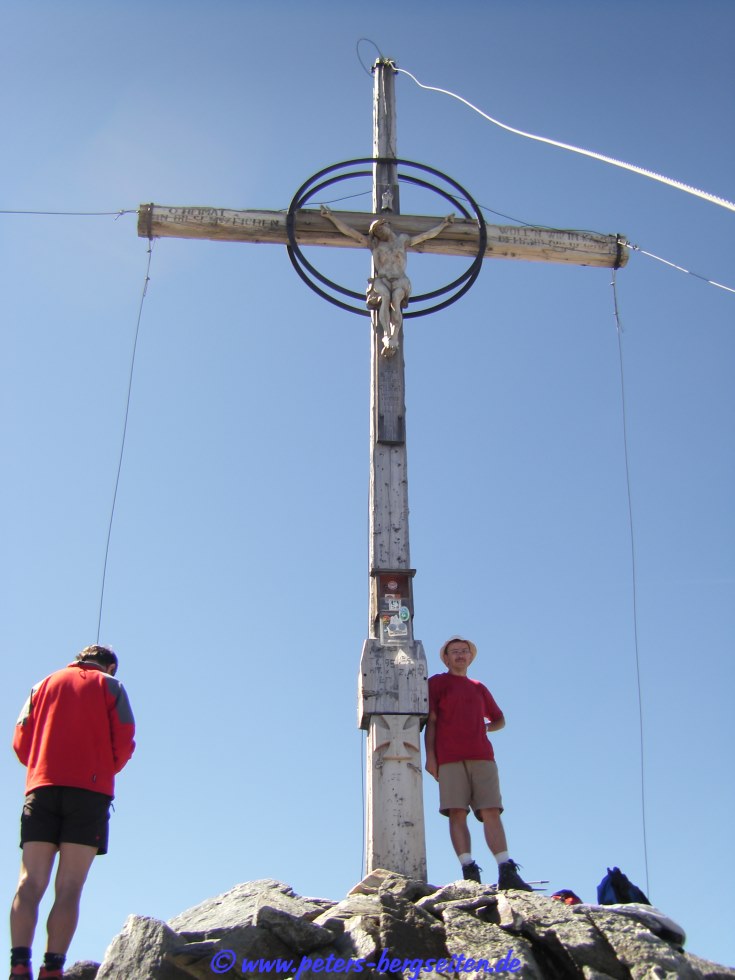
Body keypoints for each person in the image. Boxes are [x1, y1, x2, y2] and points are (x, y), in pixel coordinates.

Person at [9, 645, 136, 980]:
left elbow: (20, 741)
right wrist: (103, 767)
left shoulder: (41, 685)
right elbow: (124, 740)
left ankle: (19, 964)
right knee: (69, 886)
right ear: (110, 666)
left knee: (30, 881)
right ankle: (52, 969)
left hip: (41, 788)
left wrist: (41, 765)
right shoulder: (112, 687)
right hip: (89, 794)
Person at [424, 635, 532, 890]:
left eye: (464, 651)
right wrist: (430, 756)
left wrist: (483, 728)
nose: (460, 655)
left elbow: (499, 719)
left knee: (491, 810)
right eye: (455, 651)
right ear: (446, 657)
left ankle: (506, 869)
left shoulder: (478, 687)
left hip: (482, 756)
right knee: (456, 812)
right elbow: (432, 721)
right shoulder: (437, 683)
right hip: (449, 756)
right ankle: (468, 869)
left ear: (470, 657)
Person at [320, 205, 454, 355]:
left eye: (379, 229)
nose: (378, 233)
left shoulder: (403, 240)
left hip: (400, 279)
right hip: (382, 279)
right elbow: (352, 233)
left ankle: (394, 337)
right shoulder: (376, 245)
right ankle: (387, 335)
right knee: (384, 296)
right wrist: (331, 217)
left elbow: (425, 236)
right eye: (375, 232)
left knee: (396, 299)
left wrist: (444, 225)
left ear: (386, 225)